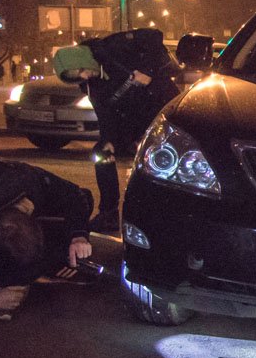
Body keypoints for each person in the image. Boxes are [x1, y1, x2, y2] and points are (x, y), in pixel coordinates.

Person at [54, 29, 180, 233]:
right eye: (78, 77)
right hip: (133, 118)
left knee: (161, 156)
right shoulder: (91, 87)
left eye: (81, 70)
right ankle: (109, 213)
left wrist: (147, 70)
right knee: (101, 154)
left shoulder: (112, 47)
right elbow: (105, 113)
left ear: (82, 59)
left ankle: (167, 214)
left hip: (162, 104)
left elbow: (153, 35)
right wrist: (108, 140)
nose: (85, 76)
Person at [0, 159, 95, 321]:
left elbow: (77, 195)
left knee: (84, 203)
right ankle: (8, 279)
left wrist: (78, 236)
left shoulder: (26, 182)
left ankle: (46, 261)